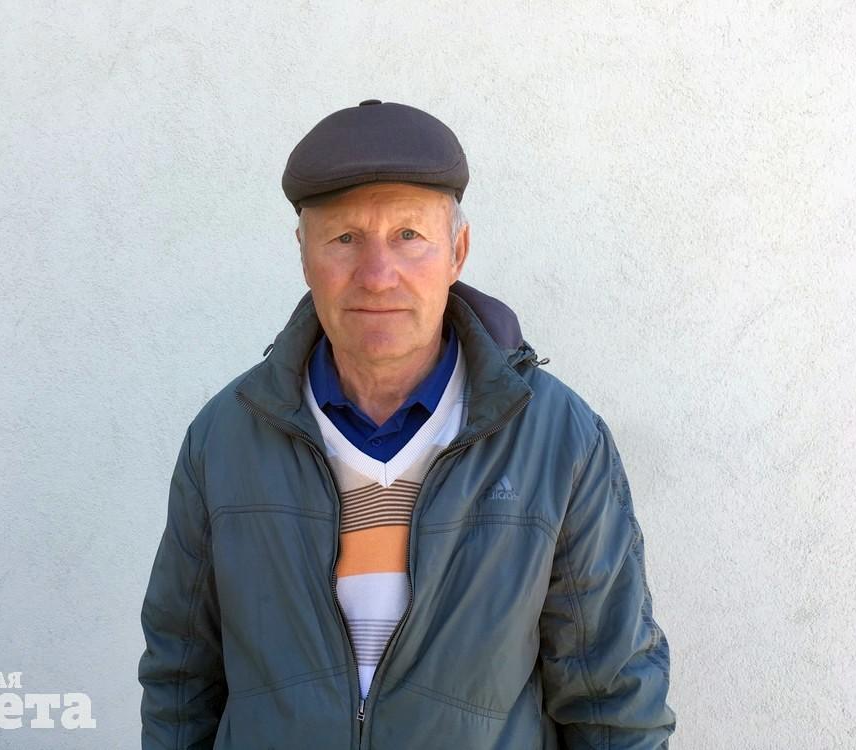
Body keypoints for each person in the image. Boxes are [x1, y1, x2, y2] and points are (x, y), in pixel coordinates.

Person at [138, 99, 675, 749]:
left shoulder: (557, 439)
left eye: (408, 236)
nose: (376, 276)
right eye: (344, 239)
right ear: (303, 255)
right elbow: (181, 683)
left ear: (457, 251)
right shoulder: (225, 438)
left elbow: (611, 698)